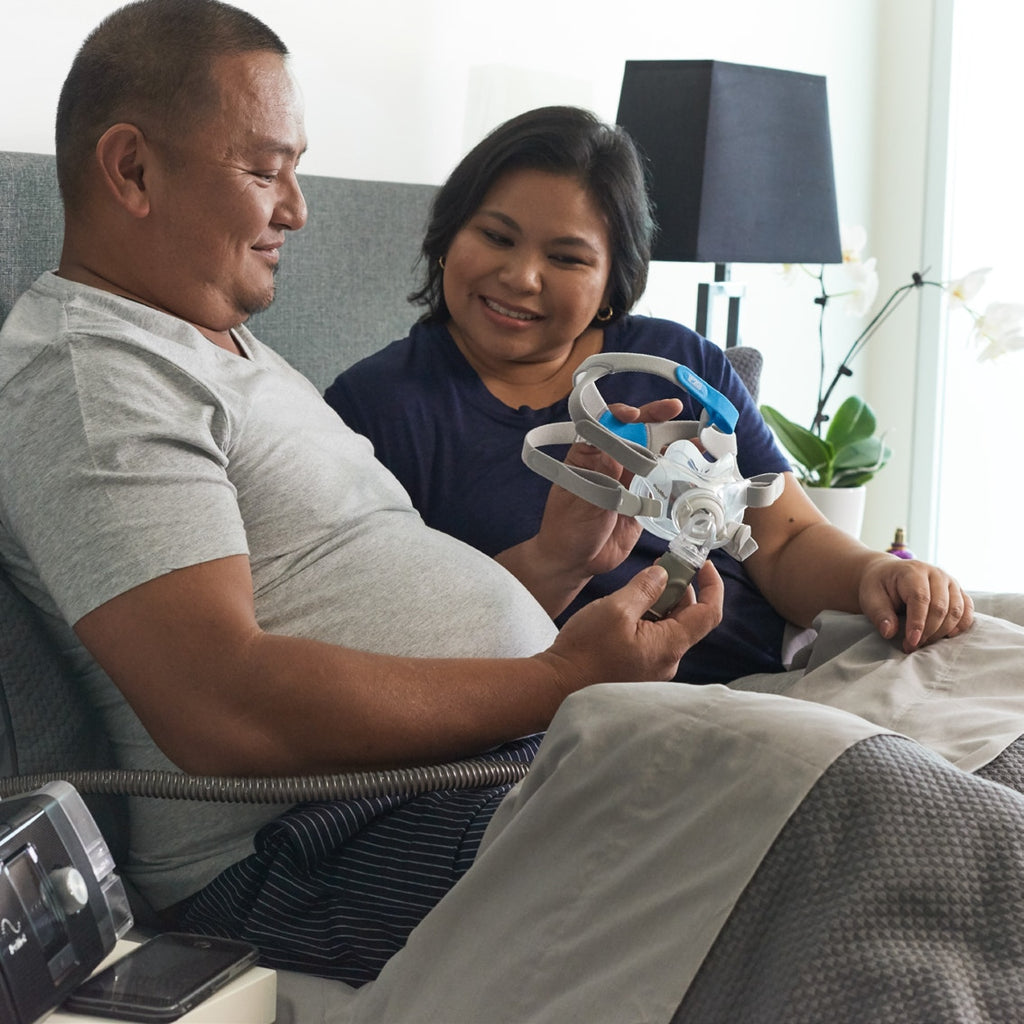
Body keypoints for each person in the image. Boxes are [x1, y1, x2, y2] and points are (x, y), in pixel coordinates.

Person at [6, 3, 1024, 1020]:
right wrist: (556, 678)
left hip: (473, 766)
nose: (299, 210)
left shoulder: (214, 346)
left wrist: (558, 572)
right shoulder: (96, 379)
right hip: (324, 842)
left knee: (987, 694)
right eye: (265, 170)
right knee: (866, 813)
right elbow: (215, 703)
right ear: (132, 170)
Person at [325, 105, 974, 684]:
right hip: (600, 725)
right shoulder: (375, 411)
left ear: (614, 279)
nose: (521, 277)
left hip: (787, 678)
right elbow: (392, 652)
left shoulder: (678, 364)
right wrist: (558, 560)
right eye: (496, 237)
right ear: (447, 239)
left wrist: (872, 577)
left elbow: (785, 539)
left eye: (568, 258)